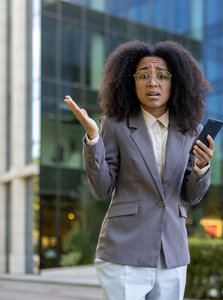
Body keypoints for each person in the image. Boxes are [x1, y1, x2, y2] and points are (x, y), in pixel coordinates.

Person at [64, 40, 214, 300]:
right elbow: (101, 189)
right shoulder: (115, 124)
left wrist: (201, 167)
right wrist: (93, 139)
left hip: (172, 253)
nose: (152, 82)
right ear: (130, 82)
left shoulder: (191, 131)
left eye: (161, 76)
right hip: (124, 250)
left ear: (175, 82)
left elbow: (192, 196)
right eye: (143, 75)